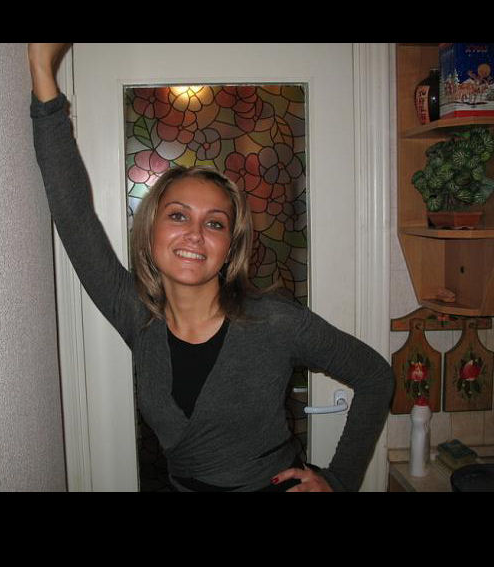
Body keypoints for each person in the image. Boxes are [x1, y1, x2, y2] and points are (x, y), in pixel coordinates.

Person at [28, 43, 395, 492]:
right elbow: (74, 217)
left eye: (215, 223)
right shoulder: (136, 316)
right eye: (178, 216)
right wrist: (41, 68)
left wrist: (338, 481)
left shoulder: (275, 321)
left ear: (230, 245)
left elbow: (375, 376)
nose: (195, 234)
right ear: (151, 229)